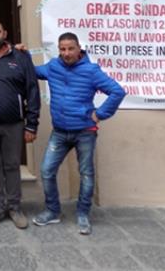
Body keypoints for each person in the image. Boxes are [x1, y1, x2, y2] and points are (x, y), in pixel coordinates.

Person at [33, 32, 125, 235]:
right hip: (59, 132)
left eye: (70, 48)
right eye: (62, 49)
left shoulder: (91, 71)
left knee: (86, 174)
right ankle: (52, 211)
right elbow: (31, 71)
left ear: (79, 48)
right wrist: (18, 55)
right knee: (47, 171)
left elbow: (117, 91)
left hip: (85, 132)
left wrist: (100, 114)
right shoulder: (53, 67)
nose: (66, 53)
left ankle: (83, 214)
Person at [0, 20, 41, 229]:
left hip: (14, 124)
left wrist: (31, 125)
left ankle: (14, 207)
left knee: (12, 165)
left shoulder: (20, 57)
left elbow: (32, 90)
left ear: (5, 33)